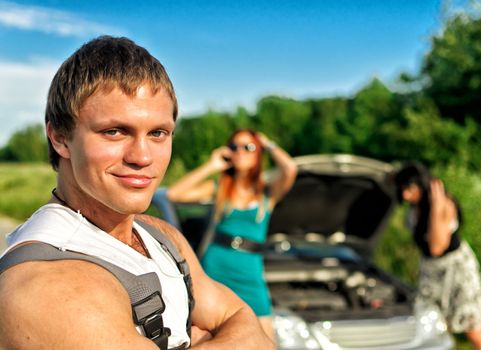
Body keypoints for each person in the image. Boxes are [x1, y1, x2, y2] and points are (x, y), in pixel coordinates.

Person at [0, 36, 275, 349]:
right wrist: (213, 334)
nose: (142, 157)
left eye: (158, 133)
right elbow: (243, 331)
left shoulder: (161, 237)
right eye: (115, 132)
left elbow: (249, 324)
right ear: (60, 138)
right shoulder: (48, 286)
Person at [166, 129, 297, 342]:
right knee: (211, 338)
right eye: (235, 147)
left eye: (248, 147)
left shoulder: (267, 192)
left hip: (250, 271)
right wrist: (212, 165)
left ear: (258, 153)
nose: (241, 152)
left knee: (264, 340)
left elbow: (290, 169)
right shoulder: (220, 187)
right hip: (216, 267)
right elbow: (174, 194)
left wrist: (267, 143)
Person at [393, 162, 481, 350]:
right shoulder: (414, 209)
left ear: (421, 184)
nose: (405, 195)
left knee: (473, 328)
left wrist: (436, 208)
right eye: (402, 190)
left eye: (409, 189)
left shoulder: (445, 204)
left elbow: (436, 247)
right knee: (434, 325)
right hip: (431, 271)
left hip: (456, 270)